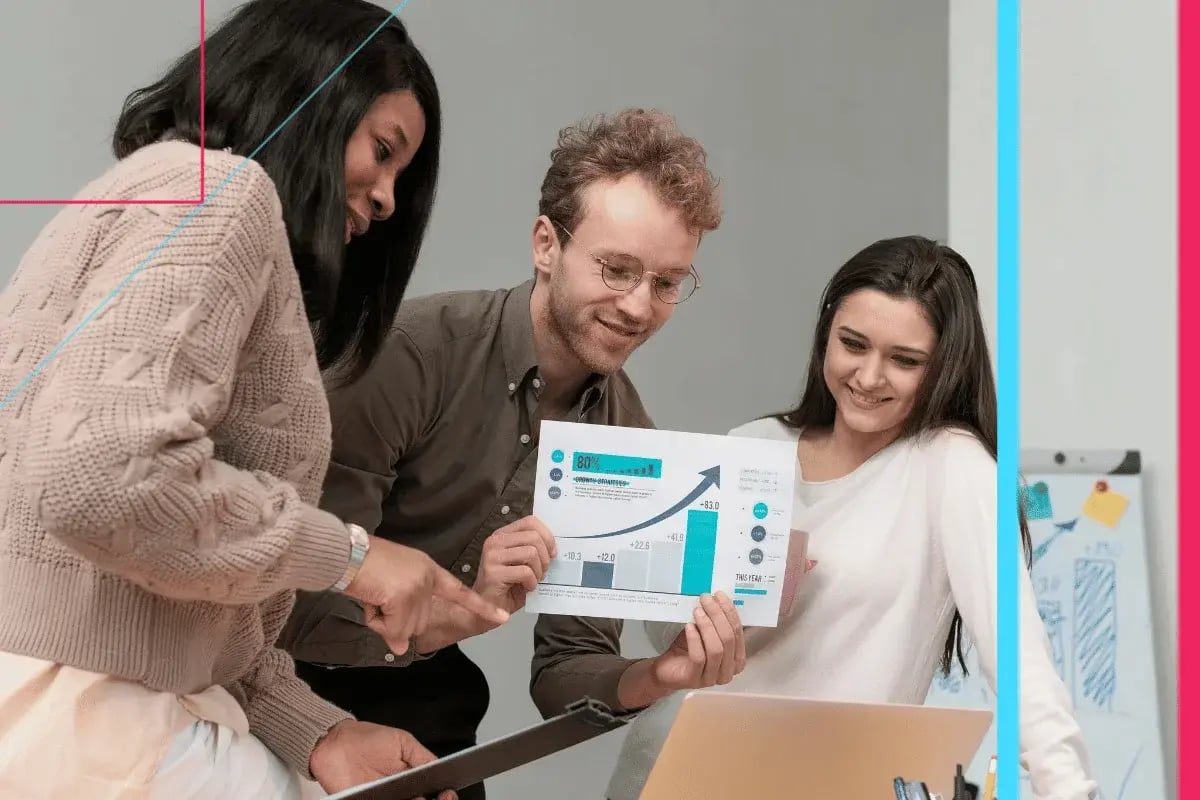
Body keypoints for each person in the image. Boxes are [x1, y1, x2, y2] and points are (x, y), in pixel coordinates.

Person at [0, 2, 508, 799]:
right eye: (382, 151)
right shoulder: (220, 193)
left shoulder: (141, 194)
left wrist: (320, 734)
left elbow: (175, 586)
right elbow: (103, 479)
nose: (386, 199)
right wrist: (353, 557)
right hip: (96, 725)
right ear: (307, 95)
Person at [279, 108, 747, 800]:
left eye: (667, 282)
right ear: (546, 245)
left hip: (425, 698)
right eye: (617, 269)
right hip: (278, 687)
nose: (638, 307)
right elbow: (288, 593)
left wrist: (658, 675)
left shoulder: (628, 438)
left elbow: (566, 669)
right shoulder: (407, 358)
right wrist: (457, 610)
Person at [585, 235, 1097, 800]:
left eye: (905, 360)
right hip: (670, 774)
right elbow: (670, 639)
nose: (869, 377)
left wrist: (1068, 788)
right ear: (826, 333)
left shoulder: (952, 467)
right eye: (853, 344)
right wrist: (733, 606)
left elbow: (1020, 662)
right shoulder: (755, 444)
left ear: (944, 367)